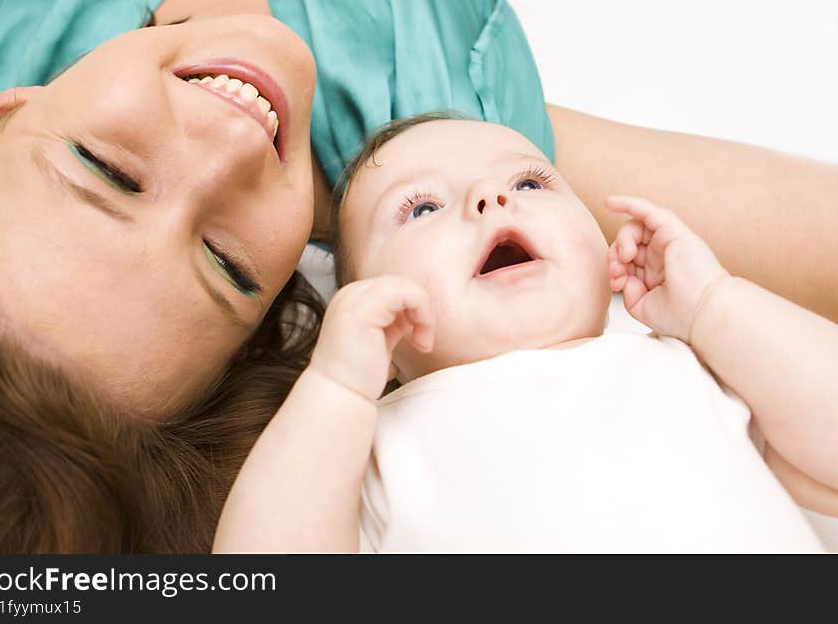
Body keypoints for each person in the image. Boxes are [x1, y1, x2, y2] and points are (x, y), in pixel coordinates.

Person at [0, 0, 835, 552]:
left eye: (107, 172)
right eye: (227, 265)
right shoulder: (460, 145)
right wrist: (336, 393)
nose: (224, 148)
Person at [213, 115, 837, 552]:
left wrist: (716, 308)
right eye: (422, 208)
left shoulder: (691, 367)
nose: (490, 196)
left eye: (529, 183)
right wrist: (333, 388)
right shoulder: (371, 445)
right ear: (366, 311)